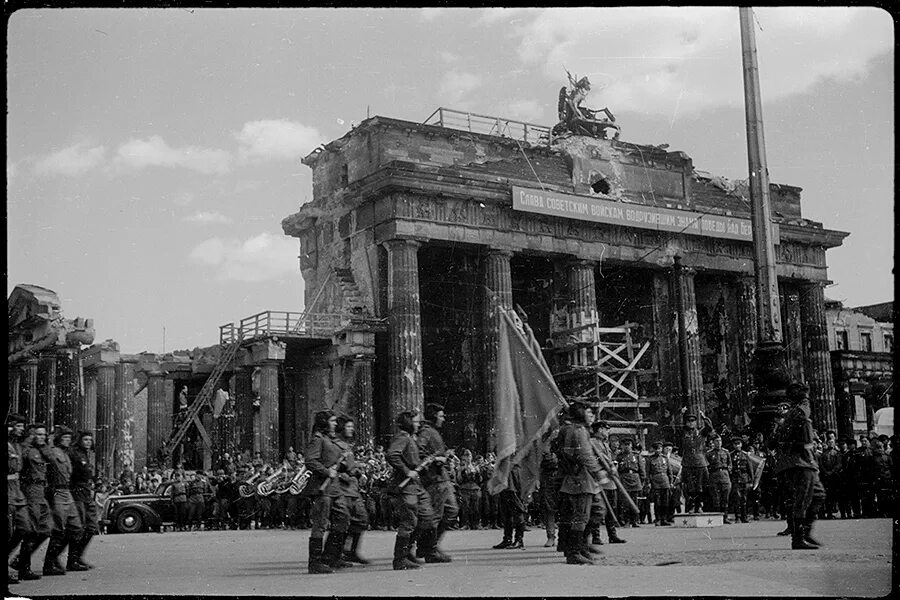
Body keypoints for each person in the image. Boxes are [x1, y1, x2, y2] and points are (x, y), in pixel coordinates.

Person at [776, 383, 826, 550]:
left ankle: (805, 532)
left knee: (818, 494)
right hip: (801, 462)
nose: (808, 400)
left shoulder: (795, 412)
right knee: (803, 500)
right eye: (805, 397)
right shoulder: (799, 412)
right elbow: (805, 442)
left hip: (803, 462)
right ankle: (798, 539)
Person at [386, 411, 438, 570]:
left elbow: (413, 459)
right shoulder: (402, 437)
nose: (418, 424)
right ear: (408, 423)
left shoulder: (410, 439)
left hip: (416, 485)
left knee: (427, 516)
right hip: (406, 485)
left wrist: (424, 463)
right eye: (415, 422)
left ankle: (407, 551)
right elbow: (392, 455)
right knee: (409, 520)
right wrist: (407, 471)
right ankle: (400, 559)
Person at [555, 399, 605, 565]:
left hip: (582, 478)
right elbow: (585, 456)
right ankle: (574, 552)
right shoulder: (577, 431)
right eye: (589, 413)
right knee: (581, 516)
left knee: (596, 511)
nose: (592, 416)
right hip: (579, 478)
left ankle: (582, 546)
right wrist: (599, 474)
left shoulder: (576, 429)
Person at [304, 410, 351, 574]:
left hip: (334, 487)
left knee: (343, 518)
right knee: (321, 524)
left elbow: (335, 462)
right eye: (332, 421)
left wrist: (343, 463)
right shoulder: (318, 439)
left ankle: (331, 556)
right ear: (324, 423)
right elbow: (310, 460)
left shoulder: (331, 440)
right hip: (322, 487)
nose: (335, 424)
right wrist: (325, 471)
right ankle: (315, 563)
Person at [415, 403, 457, 563]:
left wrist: (444, 456)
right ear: (433, 417)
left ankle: (429, 546)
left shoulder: (433, 432)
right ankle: (429, 550)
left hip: (442, 479)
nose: (443, 419)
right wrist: (435, 460)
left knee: (451, 511)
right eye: (441, 416)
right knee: (435, 516)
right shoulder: (426, 432)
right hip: (435, 480)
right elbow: (418, 451)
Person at [43, 426, 84, 575]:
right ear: (59, 438)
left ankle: (66, 560)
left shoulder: (66, 454)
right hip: (57, 492)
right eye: (65, 437)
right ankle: (48, 564)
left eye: (69, 437)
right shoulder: (52, 452)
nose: (68, 440)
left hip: (67, 492)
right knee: (58, 529)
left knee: (76, 527)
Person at [15, 423, 53, 580]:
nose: (42, 437)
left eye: (44, 434)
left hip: (41, 490)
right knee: (31, 530)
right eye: (39, 434)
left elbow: (51, 460)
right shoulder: (27, 450)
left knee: (46, 529)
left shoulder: (41, 451)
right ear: (31, 435)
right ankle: (23, 567)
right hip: (30, 490)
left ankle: (20, 561)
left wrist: (44, 445)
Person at [334, 414, 370, 565]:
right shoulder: (335, 445)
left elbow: (351, 466)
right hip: (342, 489)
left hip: (353, 489)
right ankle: (337, 553)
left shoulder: (348, 446)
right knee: (343, 522)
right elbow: (332, 466)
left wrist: (359, 473)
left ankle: (351, 551)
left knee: (362, 520)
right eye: (348, 426)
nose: (352, 429)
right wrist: (342, 475)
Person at [589, 420, 627, 544]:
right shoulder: (592, 443)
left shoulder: (604, 443)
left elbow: (609, 458)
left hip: (610, 480)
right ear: (600, 430)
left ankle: (612, 535)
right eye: (606, 429)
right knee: (598, 509)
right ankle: (596, 536)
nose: (607, 432)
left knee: (612, 508)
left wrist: (613, 465)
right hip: (599, 479)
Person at [67, 432, 99, 569]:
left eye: (90, 440)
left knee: (92, 527)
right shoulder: (74, 454)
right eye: (85, 439)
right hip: (77, 492)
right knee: (78, 528)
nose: (88, 442)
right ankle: (73, 559)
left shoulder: (87, 455)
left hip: (86, 493)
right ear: (80, 441)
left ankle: (78, 556)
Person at [7, 414, 33, 585]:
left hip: (17, 492)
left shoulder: (17, 445)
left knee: (26, 528)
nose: (22, 429)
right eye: (19, 426)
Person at [679, 410, 714, 513]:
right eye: (688, 421)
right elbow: (675, 427)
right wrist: (681, 414)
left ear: (696, 422)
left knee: (700, 485)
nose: (690, 422)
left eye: (693, 421)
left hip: (700, 461)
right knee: (690, 486)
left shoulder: (701, 432)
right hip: (688, 462)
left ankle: (699, 505)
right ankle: (692, 506)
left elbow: (710, 428)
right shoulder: (683, 432)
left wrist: (704, 417)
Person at [492, 462, 528, 550]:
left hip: (514, 483)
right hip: (506, 483)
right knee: (506, 514)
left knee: (518, 512)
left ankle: (519, 540)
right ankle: (507, 539)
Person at [615, 438, 644, 527]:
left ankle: (634, 520)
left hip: (634, 478)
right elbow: (616, 470)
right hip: (624, 479)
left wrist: (642, 480)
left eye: (629, 444)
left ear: (631, 445)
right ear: (622, 446)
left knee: (635, 501)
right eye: (625, 444)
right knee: (625, 502)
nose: (627, 446)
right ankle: (626, 520)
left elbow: (641, 469)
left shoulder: (636, 456)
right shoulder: (619, 457)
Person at [538, 427, 560, 547]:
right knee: (549, 509)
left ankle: (564, 537)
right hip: (547, 479)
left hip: (562, 478)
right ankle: (551, 536)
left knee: (565, 509)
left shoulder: (562, 444)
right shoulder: (543, 447)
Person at [644, 440, 674, 526]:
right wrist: (648, 482)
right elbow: (647, 472)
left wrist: (671, 481)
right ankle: (658, 519)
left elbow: (669, 471)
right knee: (657, 502)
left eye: (660, 448)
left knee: (666, 501)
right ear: (654, 449)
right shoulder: (650, 459)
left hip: (665, 480)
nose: (658, 450)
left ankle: (664, 519)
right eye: (656, 449)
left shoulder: (665, 458)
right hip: (655, 481)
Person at [705, 433, 733, 522]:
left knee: (725, 497)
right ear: (713, 442)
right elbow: (707, 466)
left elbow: (730, 464)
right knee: (716, 498)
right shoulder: (709, 454)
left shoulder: (726, 452)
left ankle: (725, 517)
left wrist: (728, 471)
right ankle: (717, 518)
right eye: (717, 441)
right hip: (714, 476)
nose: (719, 443)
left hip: (724, 475)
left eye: (720, 441)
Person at [456, 449, 483, 531]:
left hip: (475, 488)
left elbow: (480, 480)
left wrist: (478, 472)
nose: (468, 457)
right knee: (465, 507)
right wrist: (461, 471)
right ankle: (465, 524)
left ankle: (476, 524)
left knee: (476, 507)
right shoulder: (461, 466)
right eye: (466, 455)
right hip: (465, 488)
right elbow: (459, 480)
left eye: (469, 455)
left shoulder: (475, 466)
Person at [729, 436, 754, 523]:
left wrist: (751, 480)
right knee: (737, 498)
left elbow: (750, 468)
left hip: (744, 478)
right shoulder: (730, 455)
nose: (737, 446)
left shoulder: (745, 455)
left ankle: (744, 516)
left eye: (738, 444)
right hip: (735, 479)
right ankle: (738, 516)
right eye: (735, 444)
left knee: (744, 498)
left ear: (741, 444)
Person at [817, 435, 841, 519]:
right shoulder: (823, 454)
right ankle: (826, 512)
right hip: (825, 477)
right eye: (829, 442)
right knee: (826, 496)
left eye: (832, 442)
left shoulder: (837, 454)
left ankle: (831, 512)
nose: (830, 444)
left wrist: (832, 471)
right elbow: (821, 465)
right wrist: (826, 472)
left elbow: (838, 464)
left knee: (833, 496)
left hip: (834, 477)